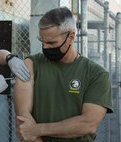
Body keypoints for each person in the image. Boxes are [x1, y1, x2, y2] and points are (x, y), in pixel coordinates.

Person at [14, 7, 113, 142]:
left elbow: (88, 124)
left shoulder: (97, 74)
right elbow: (23, 118)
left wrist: (37, 129)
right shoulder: (31, 64)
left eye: (51, 42)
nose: (46, 47)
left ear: (71, 37)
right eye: (42, 41)